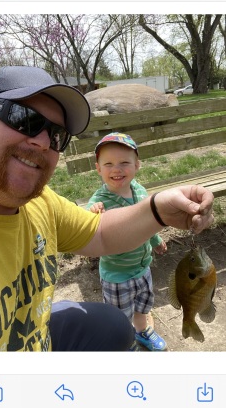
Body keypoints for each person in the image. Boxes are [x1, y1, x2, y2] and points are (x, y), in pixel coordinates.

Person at [0, 65, 214, 352]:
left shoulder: (41, 203)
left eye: (56, 135)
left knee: (115, 326)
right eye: (24, 118)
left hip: (38, 341)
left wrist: (158, 210)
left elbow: (99, 233)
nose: (41, 142)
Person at [87, 132, 168, 351]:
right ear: (98, 168)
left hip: (142, 268)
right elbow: (84, 223)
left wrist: (155, 240)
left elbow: (147, 223)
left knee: (142, 306)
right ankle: (125, 341)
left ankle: (141, 332)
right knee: (119, 316)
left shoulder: (140, 192)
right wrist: (92, 213)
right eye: (109, 164)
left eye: (124, 163)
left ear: (137, 165)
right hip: (117, 275)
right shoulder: (99, 201)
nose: (117, 169)